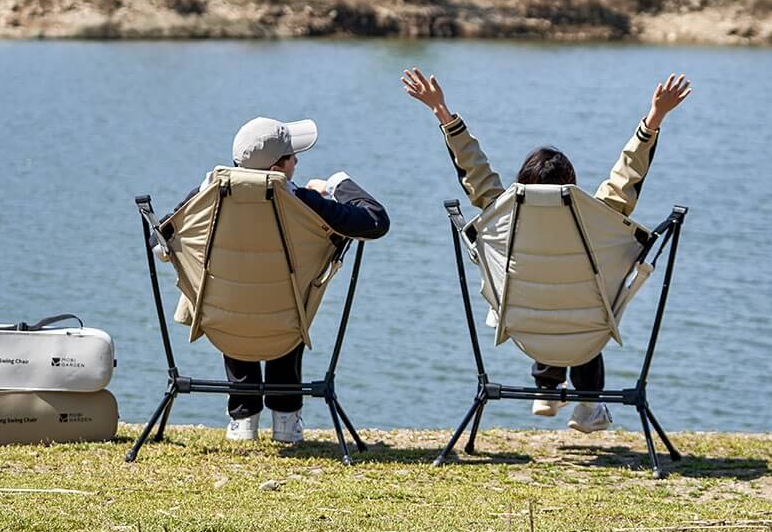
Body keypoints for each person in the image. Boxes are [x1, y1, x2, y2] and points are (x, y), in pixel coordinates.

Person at [401, 67, 690, 433]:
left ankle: (547, 386)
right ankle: (588, 407)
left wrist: (441, 110)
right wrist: (655, 117)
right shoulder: (599, 219)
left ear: (522, 181)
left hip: (525, 328)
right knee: (589, 300)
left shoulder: (501, 214)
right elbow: (626, 176)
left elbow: (475, 170)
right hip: (587, 330)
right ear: (572, 183)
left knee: (549, 295)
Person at [158, 116, 389, 443]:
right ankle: (286, 419)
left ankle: (243, 419)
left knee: (234, 289)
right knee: (285, 294)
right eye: (293, 156)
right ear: (279, 167)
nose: (297, 160)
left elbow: (159, 237)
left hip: (223, 323)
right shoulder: (304, 203)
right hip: (285, 323)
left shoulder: (207, 196)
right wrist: (336, 184)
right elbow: (376, 221)